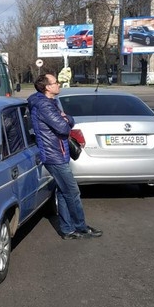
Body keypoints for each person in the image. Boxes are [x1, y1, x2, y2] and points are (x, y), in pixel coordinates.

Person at [28, 73, 102, 240]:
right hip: (53, 155)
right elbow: (63, 128)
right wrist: (66, 120)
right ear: (47, 87)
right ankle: (80, 227)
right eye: (56, 82)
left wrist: (66, 118)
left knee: (63, 191)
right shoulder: (44, 106)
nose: (58, 85)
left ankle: (68, 229)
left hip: (58, 152)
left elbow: (69, 120)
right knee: (72, 191)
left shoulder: (49, 103)